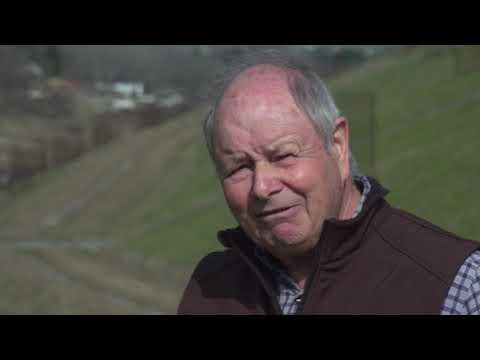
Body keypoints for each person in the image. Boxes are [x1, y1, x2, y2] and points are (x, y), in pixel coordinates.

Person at [177, 54, 480, 315]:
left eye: (283, 155)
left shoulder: (455, 284)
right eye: (240, 167)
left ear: (337, 146)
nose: (262, 187)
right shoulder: (210, 288)